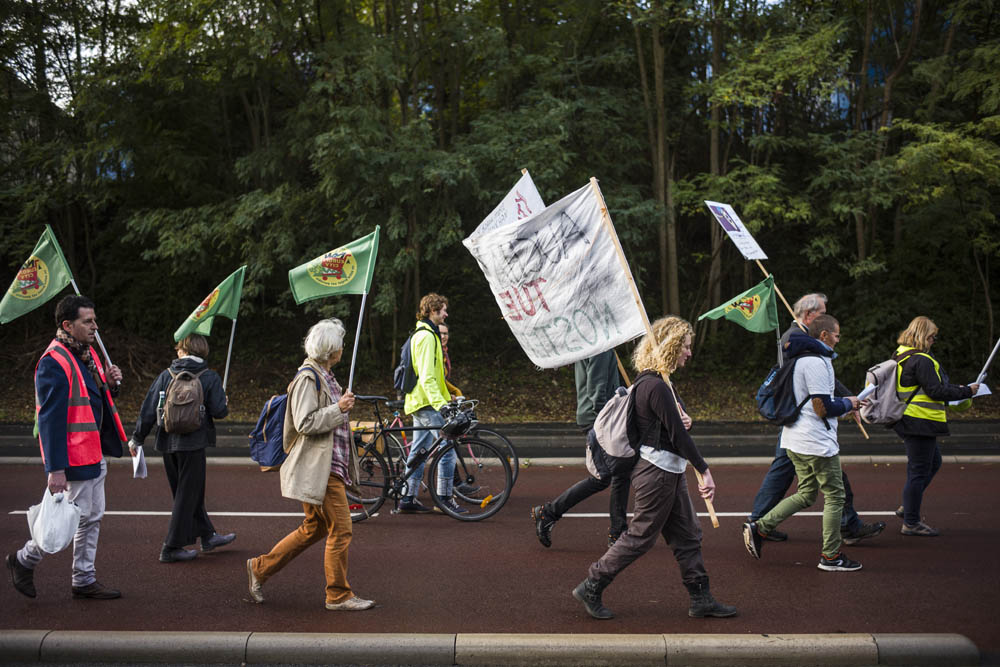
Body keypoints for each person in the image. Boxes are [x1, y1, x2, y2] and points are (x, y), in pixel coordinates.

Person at [572, 316, 736, 620]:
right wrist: (705, 470)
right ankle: (592, 584)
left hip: (667, 471)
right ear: (672, 346)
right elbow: (677, 436)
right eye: (685, 347)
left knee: (687, 535)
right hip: (658, 472)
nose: (689, 353)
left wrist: (686, 420)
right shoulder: (655, 386)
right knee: (641, 535)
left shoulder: (659, 384)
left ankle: (701, 598)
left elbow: (677, 424)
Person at [246, 318, 373, 611]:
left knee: (314, 527)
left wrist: (339, 407)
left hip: (327, 465)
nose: (343, 348)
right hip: (321, 468)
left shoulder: (324, 375)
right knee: (341, 529)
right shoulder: (308, 378)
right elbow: (305, 422)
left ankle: (260, 568)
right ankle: (338, 595)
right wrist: (338, 408)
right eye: (340, 344)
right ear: (331, 349)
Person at [5, 295, 127, 600]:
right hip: (74, 456)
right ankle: (24, 559)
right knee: (67, 519)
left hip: (92, 451)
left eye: (94, 320)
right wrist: (55, 469)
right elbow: (50, 420)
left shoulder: (87, 354)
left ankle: (83, 578)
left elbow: (97, 399)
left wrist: (111, 384)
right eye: (88, 321)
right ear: (67, 325)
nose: (94, 327)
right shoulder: (54, 361)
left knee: (91, 516)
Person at [746, 293, 884, 545]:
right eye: (823, 312)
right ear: (810, 316)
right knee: (828, 485)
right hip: (803, 424)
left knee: (802, 485)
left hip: (799, 423)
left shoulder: (804, 342)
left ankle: (760, 523)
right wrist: (845, 402)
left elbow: (820, 382)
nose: (828, 319)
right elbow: (815, 392)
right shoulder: (798, 341)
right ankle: (836, 538)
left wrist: (845, 398)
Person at [742, 315, 864, 572]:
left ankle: (760, 527)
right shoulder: (818, 363)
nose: (839, 339)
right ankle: (830, 557)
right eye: (837, 335)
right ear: (824, 336)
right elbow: (821, 407)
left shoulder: (797, 359)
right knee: (835, 495)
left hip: (793, 439)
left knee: (807, 494)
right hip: (816, 443)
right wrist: (849, 403)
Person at [129, 333, 235, 563]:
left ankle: (208, 536)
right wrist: (223, 402)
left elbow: (148, 408)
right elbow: (219, 412)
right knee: (187, 495)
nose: (176, 351)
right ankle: (170, 547)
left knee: (186, 493)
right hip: (194, 444)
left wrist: (137, 438)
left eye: (178, 348)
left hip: (167, 442)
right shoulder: (209, 377)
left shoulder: (166, 375)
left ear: (183, 350)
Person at [532, 350, 630, 548]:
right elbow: (597, 390)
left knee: (621, 472)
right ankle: (548, 513)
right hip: (600, 419)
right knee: (604, 477)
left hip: (598, 417)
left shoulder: (593, 343)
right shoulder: (600, 347)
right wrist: (608, 419)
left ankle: (618, 531)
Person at [892, 316, 978, 537]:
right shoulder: (922, 360)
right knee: (918, 471)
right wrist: (967, 391)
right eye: (931, 337)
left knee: (932, 463)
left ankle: (908, 506)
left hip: (909, 420)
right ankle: (910, 521)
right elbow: (936, 391)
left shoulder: (901, 354)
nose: (933, 341)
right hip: (921, 421)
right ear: (922, 336)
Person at [397, 293, 463, 514]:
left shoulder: (427, 333)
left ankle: (407, 498)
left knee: (419, 451)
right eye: (443, 309)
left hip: (422, 401)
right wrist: (441, 405)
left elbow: (435, 377)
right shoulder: (426, 336)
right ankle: (445, 499)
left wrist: (447, 398)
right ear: (433, 311)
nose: (446, 313)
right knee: (447, 449)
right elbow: (426, 377)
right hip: (426, 403)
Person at [438, 323, 463, 399]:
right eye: (439, 333)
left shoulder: (444, 353)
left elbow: (443, 380)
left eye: (445, 333)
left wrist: (456, 392)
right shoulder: (433, 352)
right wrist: (447, 396)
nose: (443, 337)